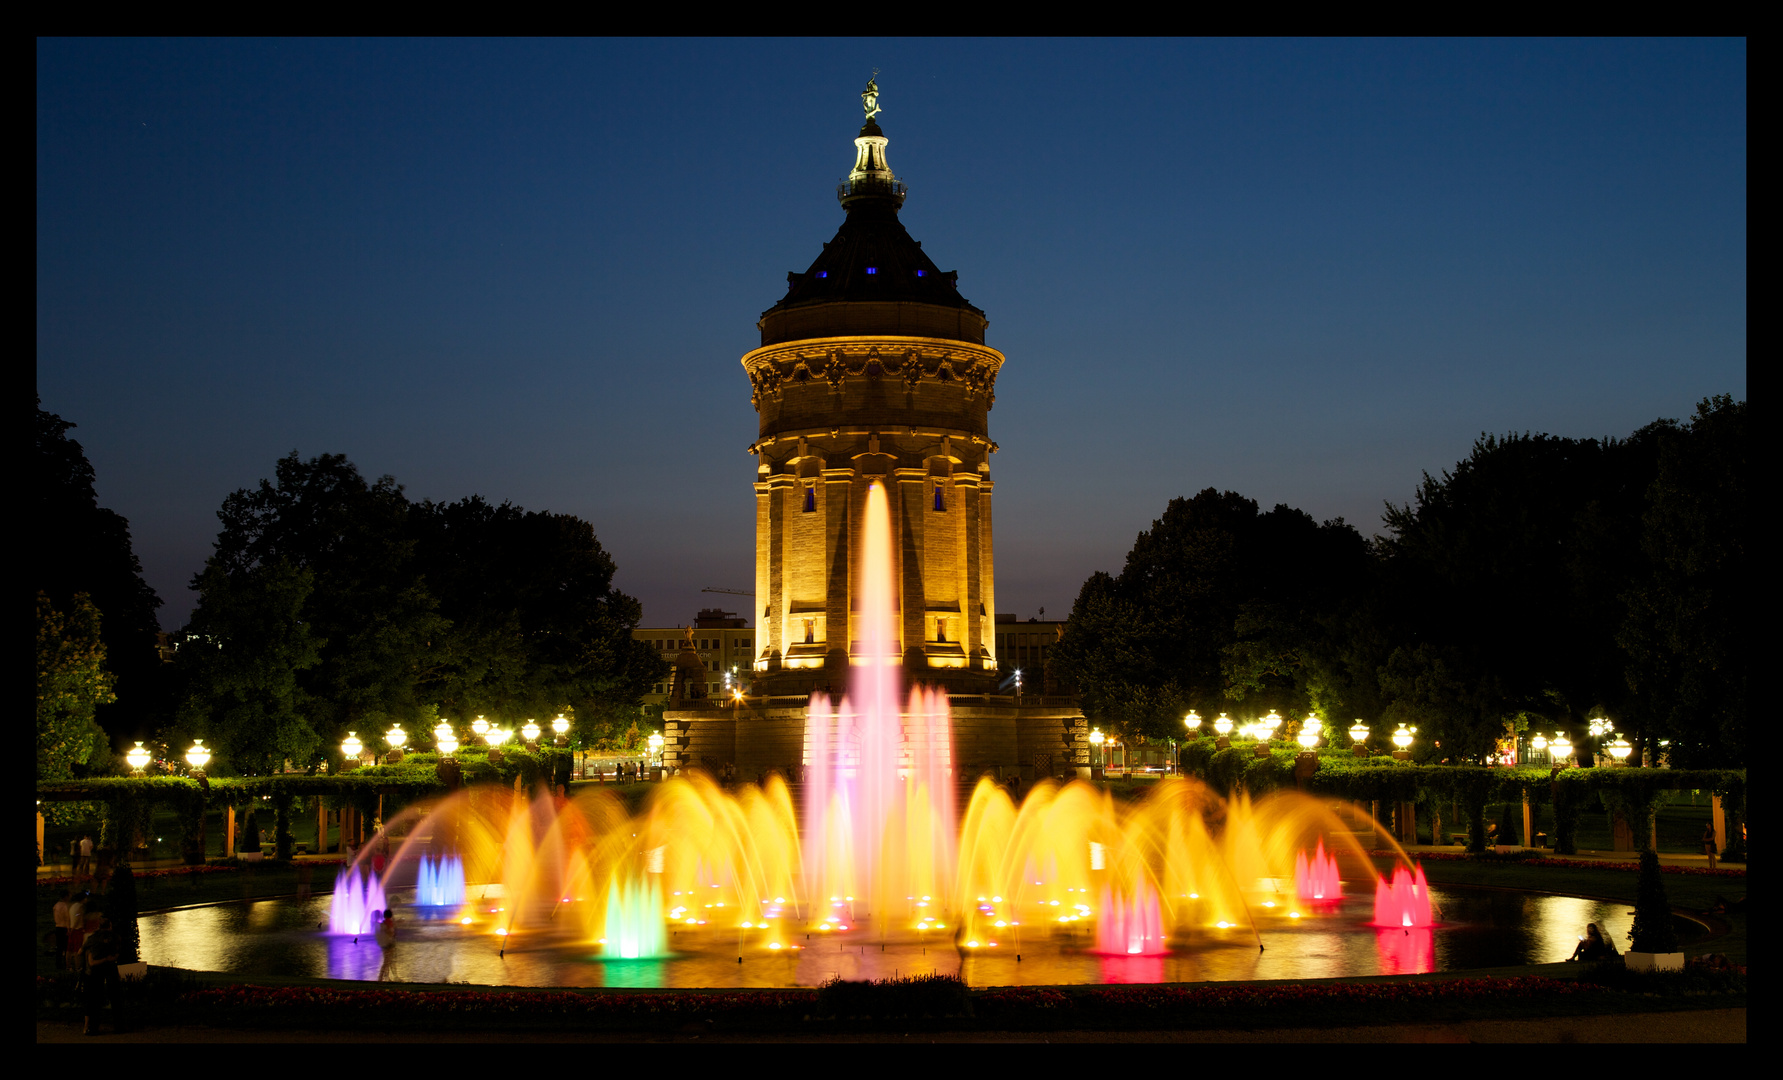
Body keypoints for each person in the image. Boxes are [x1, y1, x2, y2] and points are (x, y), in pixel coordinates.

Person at [80, 914, 123, 1035]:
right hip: (111, 967)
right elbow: (118, 952)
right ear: (110, 926)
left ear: (99, 926)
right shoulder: (115, 937)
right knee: (115, 997)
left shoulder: (93, 938)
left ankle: (93, 1027)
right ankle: (119, 1026)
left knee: (95, 998)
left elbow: (81, 950)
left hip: (97, 970)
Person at [52, 891, 72, 965]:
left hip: (57, 927)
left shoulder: (56, 905)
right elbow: (67, 918)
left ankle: (58, 962)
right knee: (65, 946)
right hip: (63, 927)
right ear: (66, 897)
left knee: (59, 946)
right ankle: (64, 962)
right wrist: (68, 928)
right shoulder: (64, 906)